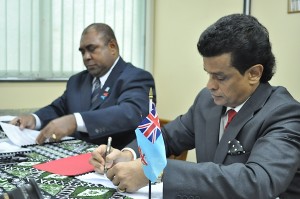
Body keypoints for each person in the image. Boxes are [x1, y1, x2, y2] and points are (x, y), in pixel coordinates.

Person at [89, 14, 300, 199]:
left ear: (254, 74)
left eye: (220, 77)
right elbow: (168, 138)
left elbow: (258, 182)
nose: (210, 85)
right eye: (208, 74)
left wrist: (156, 171)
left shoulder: (284, 114)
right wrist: (129, 154)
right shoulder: (207, 101)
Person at [10, 23, 156, 149]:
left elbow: (132, 113)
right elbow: (58, 108)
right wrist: (34, 118)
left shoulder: (137, 77)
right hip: (74, 158)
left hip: (118, 164)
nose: (86, 56)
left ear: (112, 47)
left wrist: (76, 121)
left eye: (92, 49)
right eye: (83, 51)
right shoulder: (77, 81)